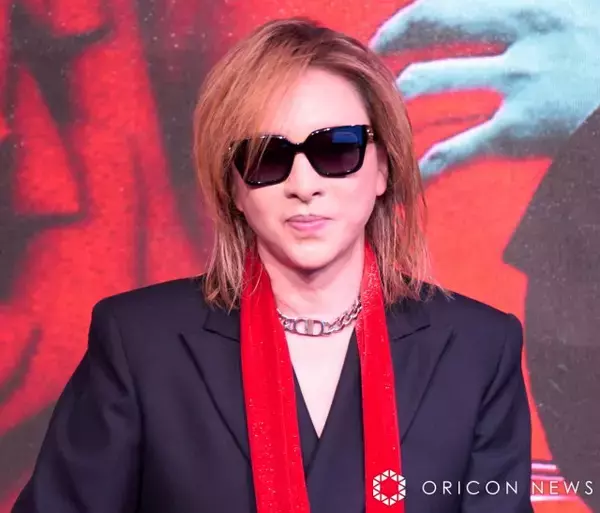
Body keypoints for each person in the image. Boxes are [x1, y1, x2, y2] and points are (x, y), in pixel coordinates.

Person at [11, 17, 533, 513]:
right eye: (267, 156)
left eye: (337, 150)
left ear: (382, 168)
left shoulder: (479, 349)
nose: (304, 185)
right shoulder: (139, 343)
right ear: (234, 186)